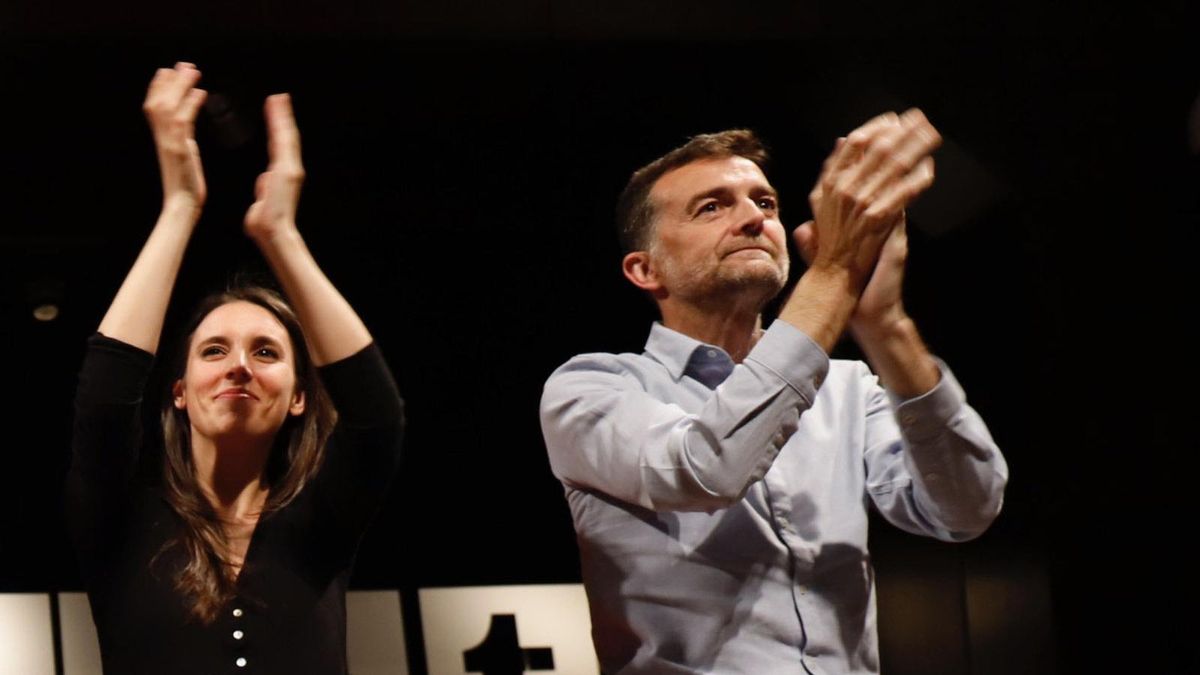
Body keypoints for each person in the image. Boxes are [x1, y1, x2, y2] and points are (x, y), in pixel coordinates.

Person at [539, 113, 1008, 674]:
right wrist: (835, 272)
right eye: (712, 207)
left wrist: (885, 325)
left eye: (765, 203)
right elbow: (704, 469)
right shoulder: (591, 388)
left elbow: (966, 510)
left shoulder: (846, 387)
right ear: (645, 269)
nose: (753, 219)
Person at [65, 63, 404, 674]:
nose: (240, 367)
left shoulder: (322, 519)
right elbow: (104, 396)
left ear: (299, 397)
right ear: (179, 392)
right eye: (214, 350)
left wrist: (281, 236)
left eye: (266, 352)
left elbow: (377, 416)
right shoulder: (123, 516)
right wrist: (179, 207)